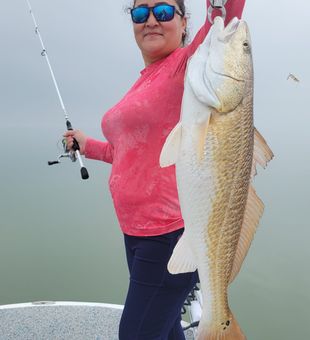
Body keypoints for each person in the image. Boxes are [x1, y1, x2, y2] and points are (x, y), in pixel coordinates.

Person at [64, 1, 246, 339]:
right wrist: (86, 144)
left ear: (184, 22)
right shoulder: (146, 79)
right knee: (165, 326)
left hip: (168, 236)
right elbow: (129, 154)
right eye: (139, 13)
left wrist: (220, 13)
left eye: (162, 11)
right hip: (135, 234)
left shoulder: (189, 66)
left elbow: (228, 15)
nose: (150, 20)